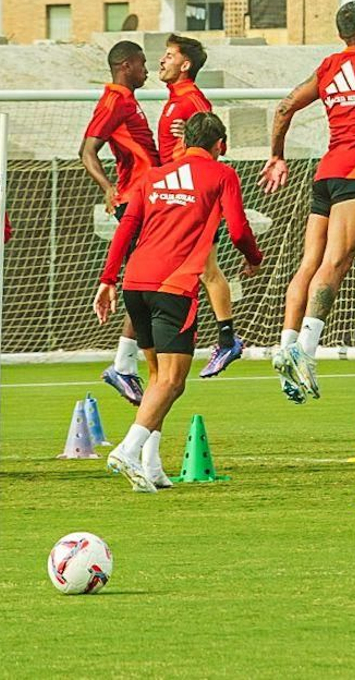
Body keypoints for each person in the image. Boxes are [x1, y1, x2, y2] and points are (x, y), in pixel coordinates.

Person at [95, 112, 262, 492]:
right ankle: (127, 449)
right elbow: (238, 229)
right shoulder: (222, 175)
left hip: (136, 282)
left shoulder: (152, 177)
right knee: (172, 380)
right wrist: (254, 258)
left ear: (184, 142)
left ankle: (150, 466)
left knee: (158, 380)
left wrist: (107, 279)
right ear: (221, 146)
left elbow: (126, 227)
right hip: (175, 285)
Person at [261, 0, 355, 402]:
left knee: (310, 263)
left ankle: (286, 347)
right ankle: (304, 352)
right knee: (335, 263)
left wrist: (277, 154)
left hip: (326, 172)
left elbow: (285, 106)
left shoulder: (328, 67)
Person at [156, 34, 243, 379]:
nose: (162, 61)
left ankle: (226, 340)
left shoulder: (191, 99)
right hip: (175, 197)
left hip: (193, 198)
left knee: (207, 270)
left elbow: (220, 140)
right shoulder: (174, 100)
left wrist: (190, 137)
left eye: (168, 55)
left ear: (185, 64)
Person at [81, 40, 161, 406]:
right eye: (143, 63)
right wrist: (109, 186)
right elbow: (86, 150)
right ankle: (124, 365)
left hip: (146, 199)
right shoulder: (114, 100)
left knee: (152, 281)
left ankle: (126, 363)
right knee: (148, 283)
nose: (148, 70)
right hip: (133, 201)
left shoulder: (128, 100)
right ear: (126, 65)